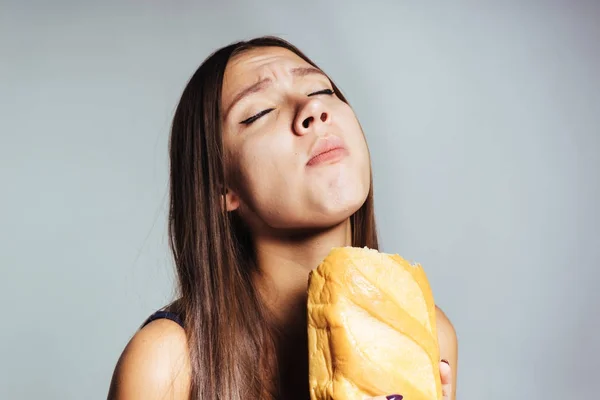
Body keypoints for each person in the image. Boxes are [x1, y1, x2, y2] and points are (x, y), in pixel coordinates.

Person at [107, 36, 458, 400]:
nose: (312, 110)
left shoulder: (427, 330)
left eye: (321, 90)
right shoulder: (166, 363)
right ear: (222, 189)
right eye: (260, 112)